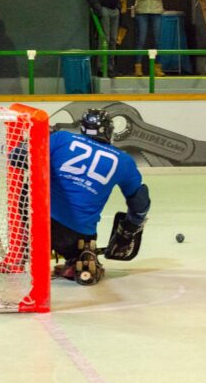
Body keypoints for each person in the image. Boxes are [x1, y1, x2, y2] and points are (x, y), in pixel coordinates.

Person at [50, 109, 150, 284]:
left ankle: (21, 250)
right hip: (75, 236)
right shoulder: (123, 160)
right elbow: (140, 203)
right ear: (109, 131)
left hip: (38, 228)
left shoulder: (61, 138)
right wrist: (130, 228)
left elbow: (18, 157)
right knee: (79, 236)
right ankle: (80, 257)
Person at [86, 0, 127, 78]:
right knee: (105, 39)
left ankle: (110, 67)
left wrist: (118, 8)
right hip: (103, 9)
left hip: (114, 10)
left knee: (113, 40)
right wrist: (99, 8)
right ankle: (101, 67)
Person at [132, 0, 167, 77]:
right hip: (142, 11)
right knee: (141, 40)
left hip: (156, 11)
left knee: (157, 41)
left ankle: (157, 68)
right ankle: (138, 67)